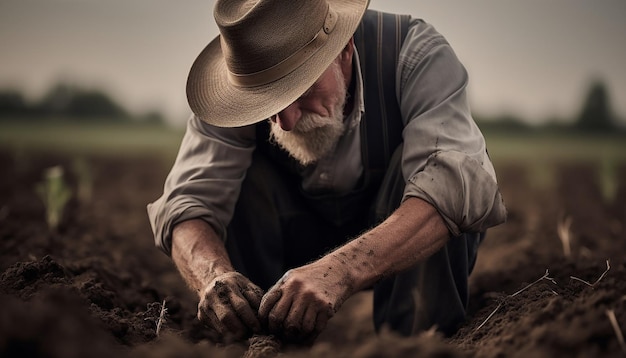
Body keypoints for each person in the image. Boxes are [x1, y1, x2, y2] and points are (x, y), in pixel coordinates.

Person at [148, 0, 506, 345]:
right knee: (242, 182)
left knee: (436, 176)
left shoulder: (414, 55)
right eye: (266, 104)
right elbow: (188, 202)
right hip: (286, 239)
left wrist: (340, 271)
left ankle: (414, 345)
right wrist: (214, 276)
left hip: (397, 238)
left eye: (300, 90)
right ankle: (263, 342)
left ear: (345, 50)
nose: (285, 123)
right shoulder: (235, 90)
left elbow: (455, 186)